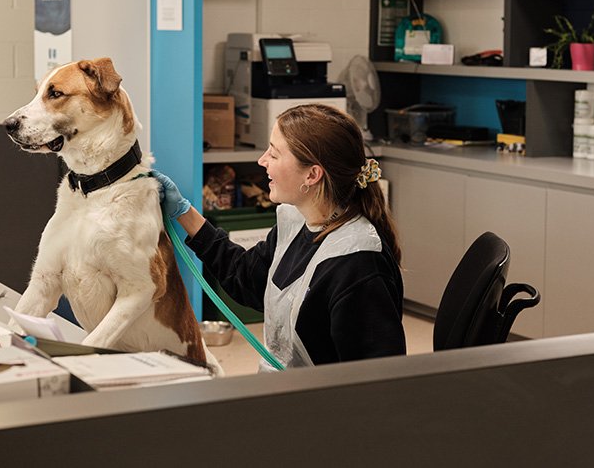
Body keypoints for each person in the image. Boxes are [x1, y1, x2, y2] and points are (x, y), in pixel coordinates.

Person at [152, 103, 406, 371]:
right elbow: (247, 278)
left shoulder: (359, 264)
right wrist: (184, 212)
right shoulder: (298, 223)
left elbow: (377, 382)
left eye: (273, 154)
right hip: (284, 393)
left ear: (312, 174)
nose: (262, 161)